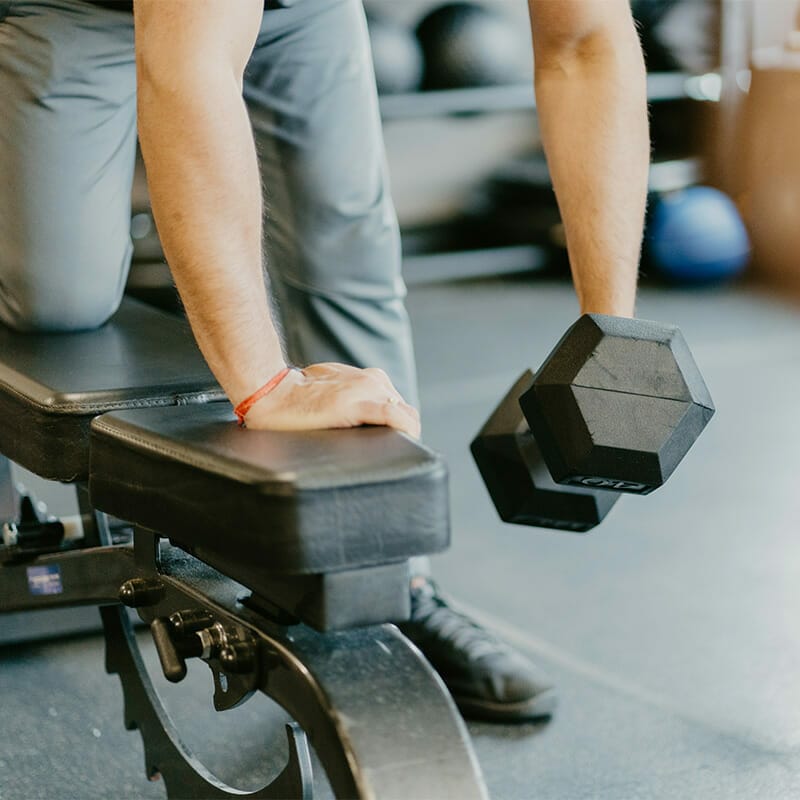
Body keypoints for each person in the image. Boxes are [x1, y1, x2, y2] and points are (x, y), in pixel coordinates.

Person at [0, 0, 647, 722]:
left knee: (348, 245)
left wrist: (609, 336)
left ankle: (389, 582)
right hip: (73, 7)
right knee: (55, 303)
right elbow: (189, 69)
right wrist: (265, 387)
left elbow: (586, 43)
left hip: (300, 10)